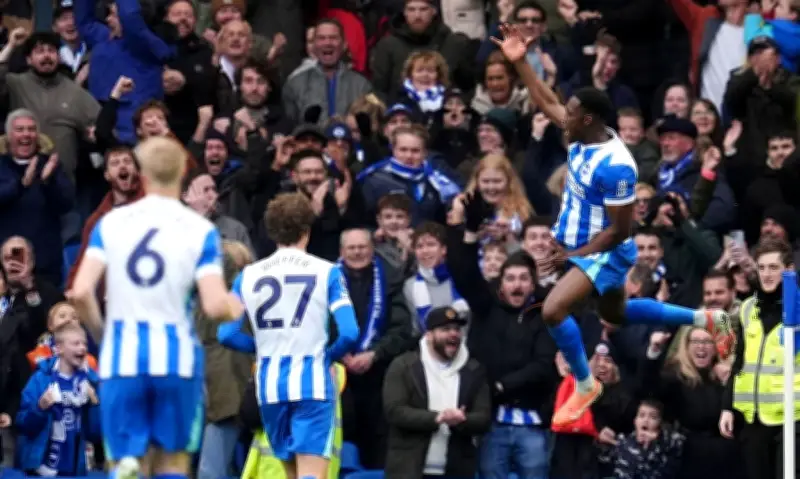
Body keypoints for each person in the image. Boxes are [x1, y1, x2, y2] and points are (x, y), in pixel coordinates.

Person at [490, 23, 735, 426]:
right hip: (586, 246)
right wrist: (521, 64)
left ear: (588, 119)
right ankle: (707, 318)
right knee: (617, 314)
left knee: (552, 310)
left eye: (570, 115)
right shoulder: (581, 134)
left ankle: (585, 384)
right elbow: (546, 99)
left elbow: (620, 231)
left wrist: (569, 254)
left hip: (606, 249)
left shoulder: (619, 166)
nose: (561, 117)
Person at [67, 137, 244, 479]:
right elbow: (214, 304)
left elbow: (80, 292)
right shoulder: (199, 230)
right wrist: (237, 305)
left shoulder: (112, 224)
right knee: (173, 463)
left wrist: (105, 338)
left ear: (141, 174)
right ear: (182, 173)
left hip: (123, 357)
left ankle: (128, 466)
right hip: (176, 359)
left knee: (124, 460)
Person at [217, 192, 360, 479]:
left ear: (271, 232)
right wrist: (325, 356)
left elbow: (225, 334)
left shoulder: (248, 275)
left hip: (269, 386)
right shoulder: (328, 272)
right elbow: (350, 332)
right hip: (312, 384)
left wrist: (261, 347)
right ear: (307, 230)